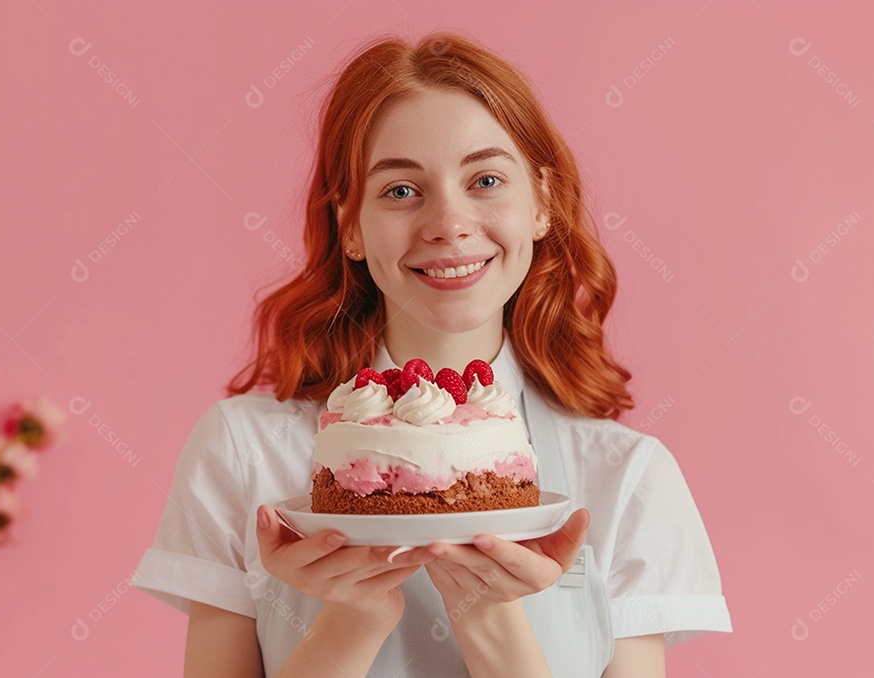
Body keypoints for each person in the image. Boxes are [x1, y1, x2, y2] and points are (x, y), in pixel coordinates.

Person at [131, 30, 732, 677]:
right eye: (400, 190)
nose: (448, 222)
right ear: (351, 226)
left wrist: (490, 614)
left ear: (542, 203)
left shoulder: (625, 480)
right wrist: (351, 622)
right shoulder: (242, 452)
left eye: (486, 179)